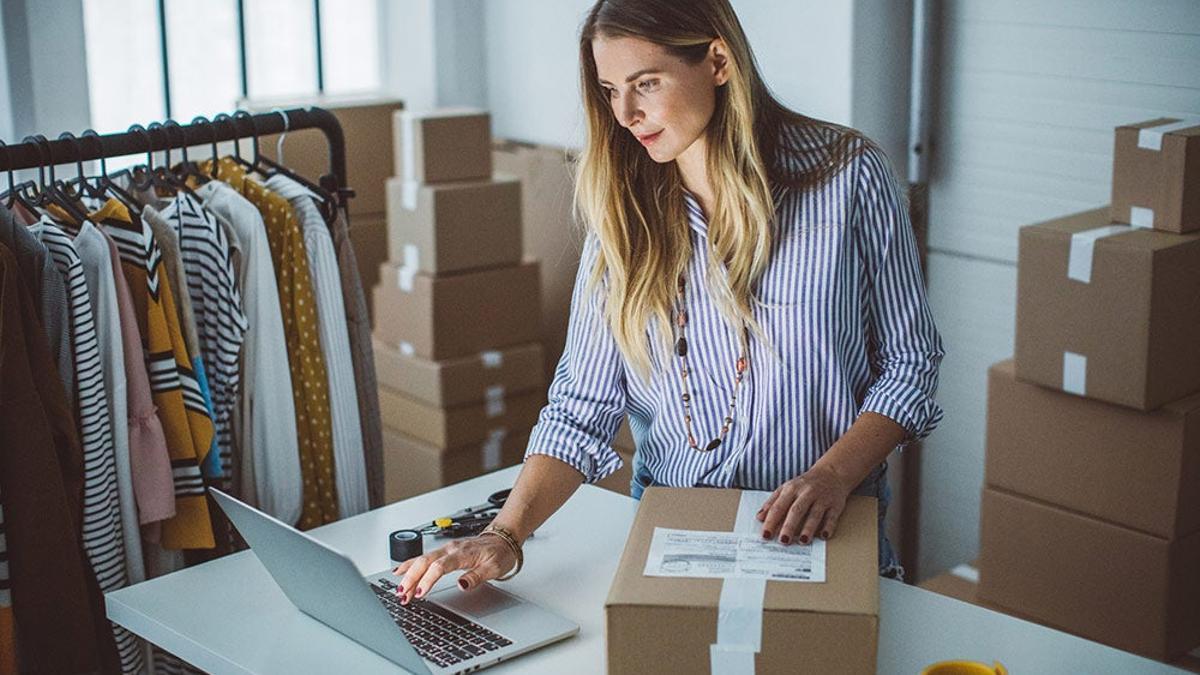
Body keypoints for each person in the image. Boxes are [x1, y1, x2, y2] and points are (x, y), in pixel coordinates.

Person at [393, 0, 943, 603]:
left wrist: (832, 475)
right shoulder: (624, 215)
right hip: (675, 539)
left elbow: (910, 364)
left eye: (645, 83)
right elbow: (582, 406)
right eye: (610, 91)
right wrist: (504, 536)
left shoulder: (846, 176)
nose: (626, 114)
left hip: (823, 535)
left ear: (717, 61)